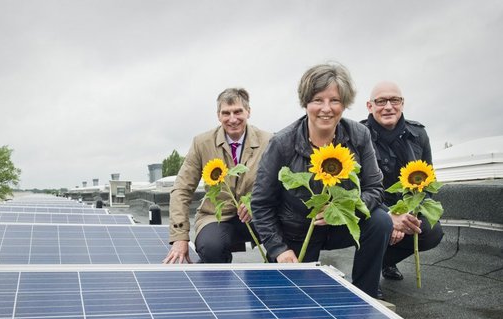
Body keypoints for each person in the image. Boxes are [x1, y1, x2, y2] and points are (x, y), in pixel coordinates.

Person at [251, 63, 392, 299]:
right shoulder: (282, 143)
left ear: (344, 103)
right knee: (295, 304)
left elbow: (374, 188)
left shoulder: (359, 136)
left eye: (335, 100)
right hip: (297, 232)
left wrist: (341, 209)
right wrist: (279, 249)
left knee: (380, 221)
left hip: (340, 226)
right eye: (318, 100)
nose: (326, 109)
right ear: (306, 102)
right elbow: (261, 202)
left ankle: (365, 295)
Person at [163, 88, 271, 264]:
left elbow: (279, 184)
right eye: (226, 113)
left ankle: (268, 282)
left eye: (238, 111)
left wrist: (256, 200)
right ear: (218, 115)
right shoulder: (201, 143)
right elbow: (182, 189)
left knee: (287, 239)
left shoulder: (269, 141)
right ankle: (219, 286)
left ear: (248, 112)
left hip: (259, 214)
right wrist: (179, 237)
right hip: (217, 215)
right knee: (211, 247)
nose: (232, 119)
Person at [362, 81, 443, 280]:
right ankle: (366, 275)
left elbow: (428, 182)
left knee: (432, 231)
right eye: (381, 101)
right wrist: (389, 218)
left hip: (407, 206)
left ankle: (384, 261)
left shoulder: (419, 135)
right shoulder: (358, 134)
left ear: (402, 103)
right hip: (371, 206)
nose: (388, 106)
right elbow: (355, 188)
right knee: (379, 225)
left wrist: (408, 214)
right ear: (369, 106)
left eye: (394, 100)